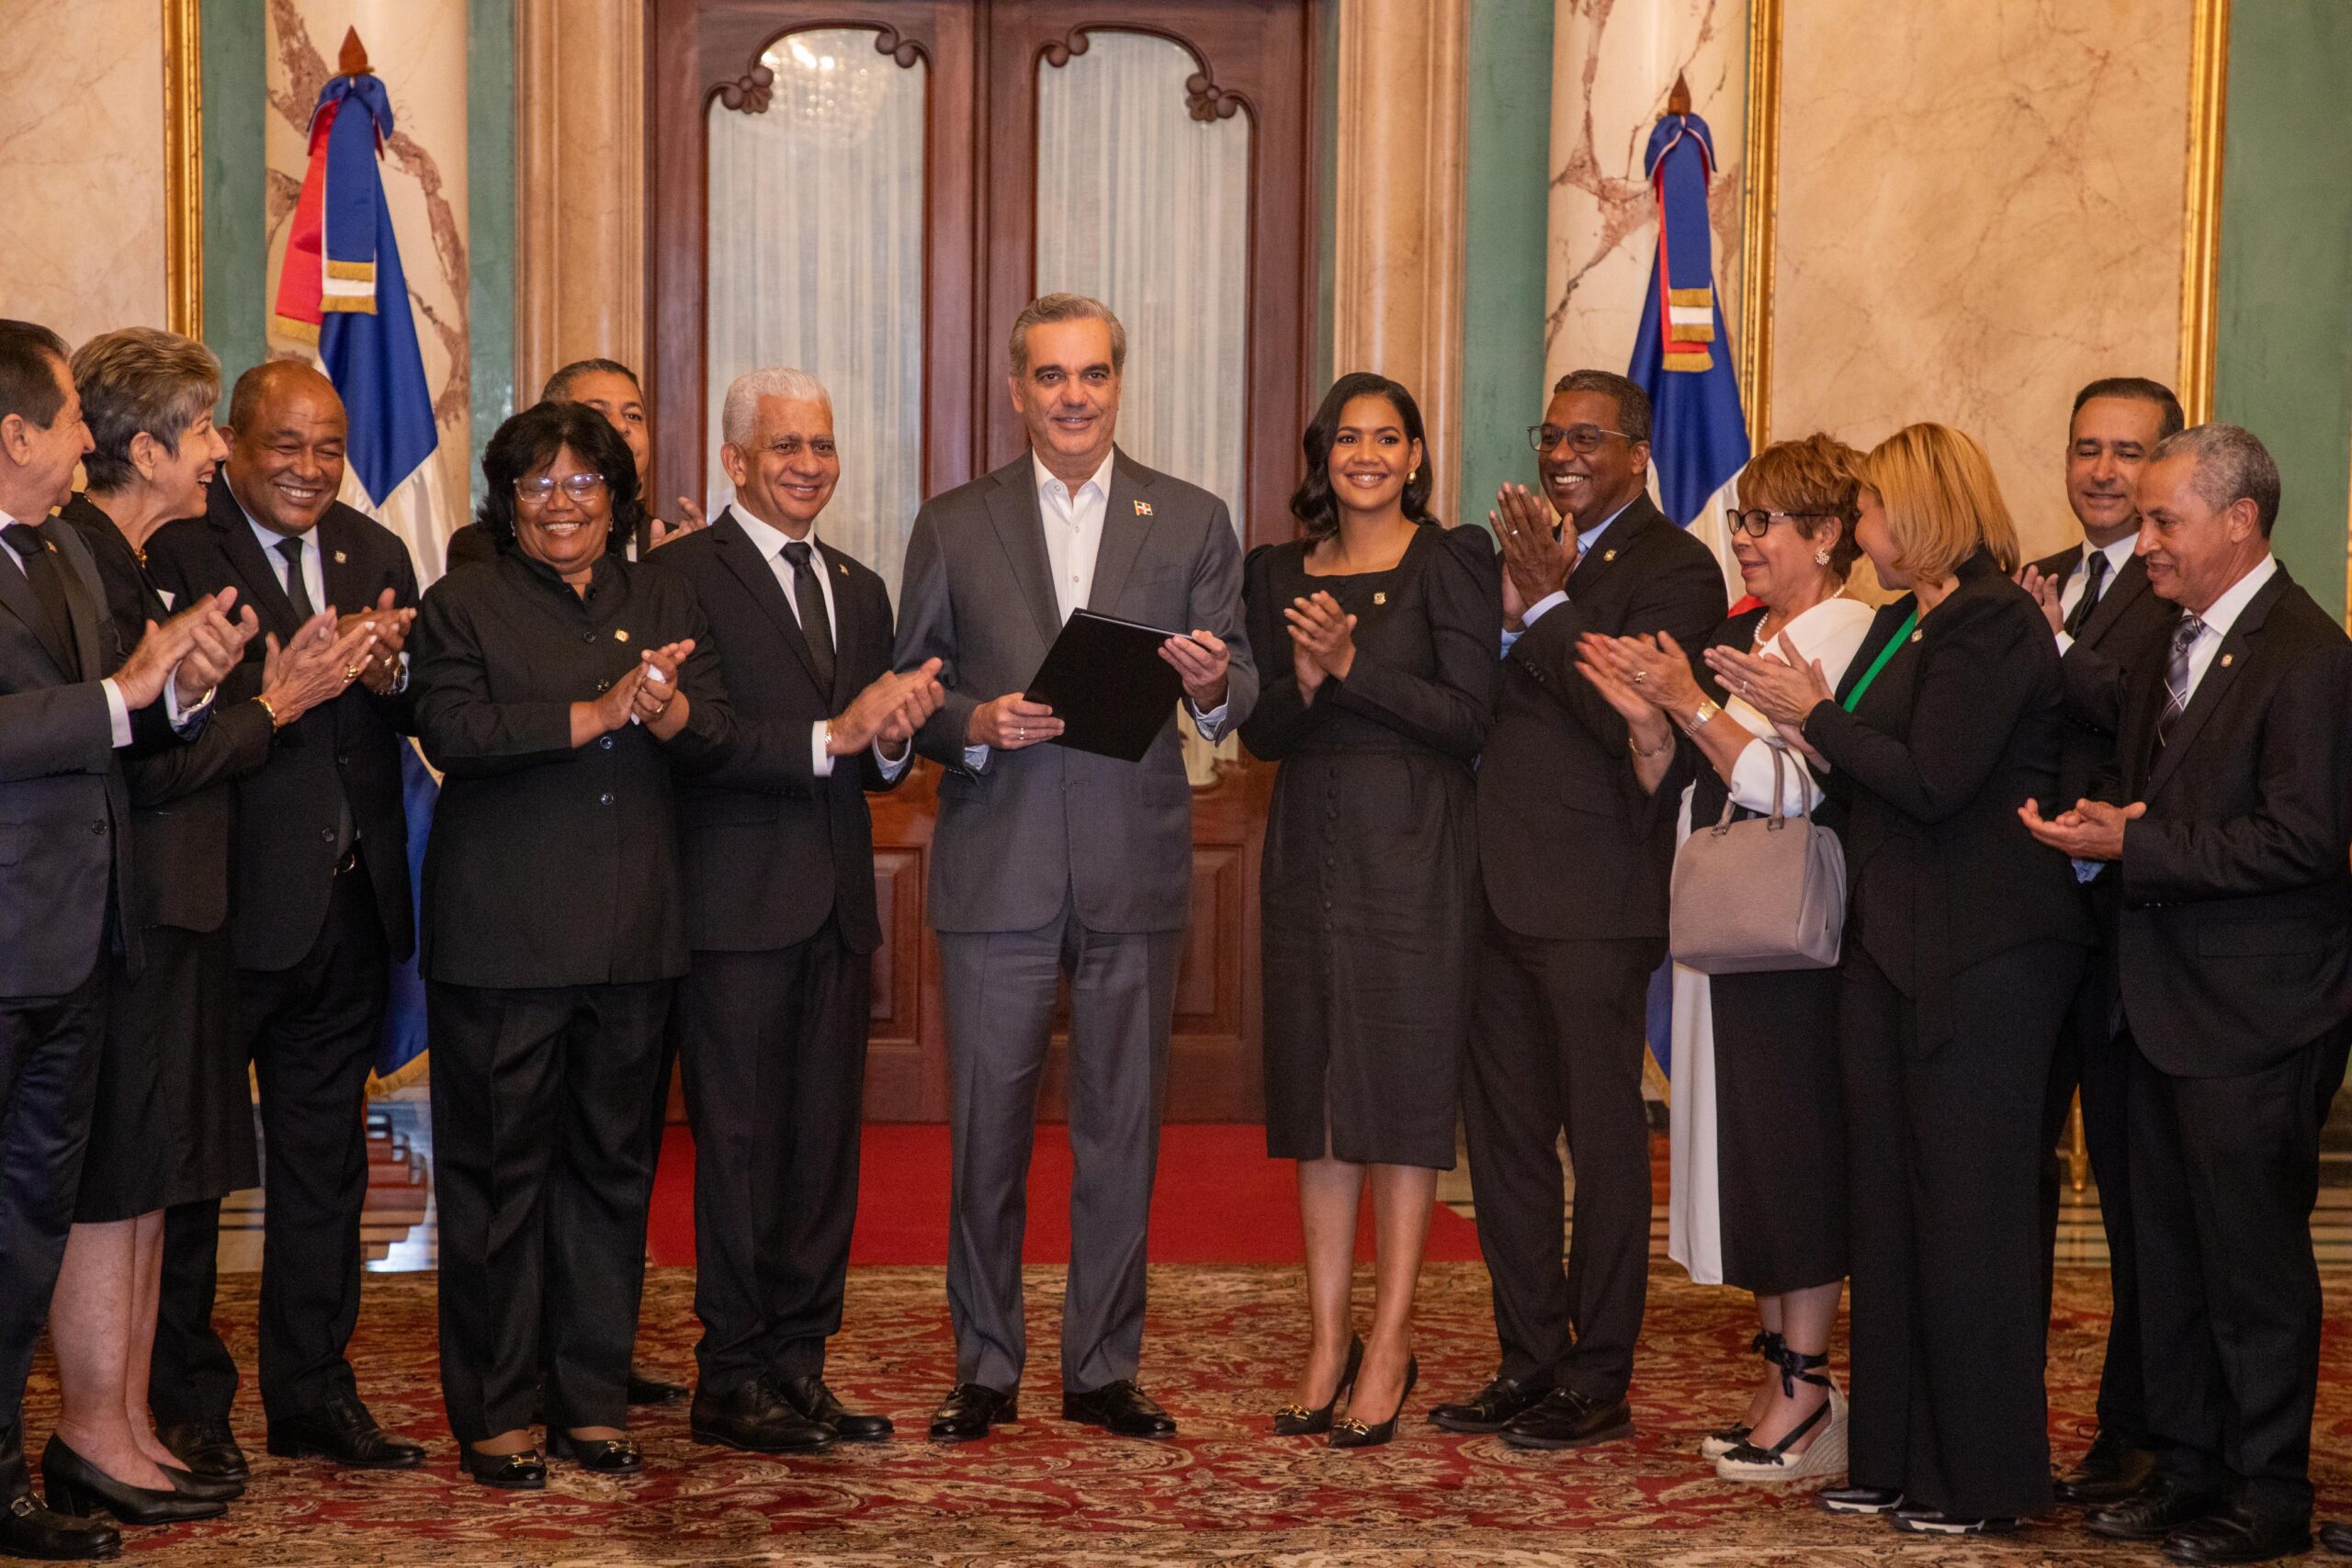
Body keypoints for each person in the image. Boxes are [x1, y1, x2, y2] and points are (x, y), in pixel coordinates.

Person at [1712, 422, 2092, 1535]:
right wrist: (1792, 720)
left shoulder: (1987, 619)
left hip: (1985, 958)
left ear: (1920, 511)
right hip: (1890, 950)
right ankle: (1889, 1458)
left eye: (1871, 510)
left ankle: (1975, 1479)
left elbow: (1931, 781)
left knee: (1965, 1219)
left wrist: (1808, 714)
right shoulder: (1897, 625)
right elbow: (1856, 766)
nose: (1859, 529)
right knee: (1886, 1210)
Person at [896, 292, 1256, 1444]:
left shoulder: (1192, 519)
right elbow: (915, 688)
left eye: (1092, 374)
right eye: (1050, 376)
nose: (1072, 396)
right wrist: (971, 720)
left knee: (1122, 1130)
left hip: (1132, 870)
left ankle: (1103, 1367)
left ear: (1117, 384)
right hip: (995, 866)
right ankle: (985, 1365)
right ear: (1016, 391)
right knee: (986, 1134)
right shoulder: (952, 522)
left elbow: (1235, 684)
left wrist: (1208, 683)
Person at [39, 331, 373, 1533]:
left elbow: (164, 734)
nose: (218, 454)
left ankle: (121, 1425)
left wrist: (214, 679)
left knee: (153, 1185)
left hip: (183, 914)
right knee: (120, 1188)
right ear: (152, 447)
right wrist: (272, 700)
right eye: (205, 434)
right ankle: (98, 1426)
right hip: (118, 918)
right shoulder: (86, 557)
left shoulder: (130, 563)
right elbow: (150, 765)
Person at [2022, 424, 2352, 1566]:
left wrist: (2139, 844)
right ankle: (2188, 1467)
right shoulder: (2173, 632)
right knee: (2162, 1258)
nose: (2140, 537)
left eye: (2164, 520)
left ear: (2239, 521)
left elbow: (2306, 842)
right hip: (2154, 1002)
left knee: (2248, 1270)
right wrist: (2094, 832)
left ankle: (2267, 1497)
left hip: (2256, 1015)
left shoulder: (2306, 654)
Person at [411, 400, 731, 1488]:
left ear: (617, 497)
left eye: (584, 483)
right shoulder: (463, 603)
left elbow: (720, 735)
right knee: (499, 1183)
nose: (562, 503)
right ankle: (497, 1412)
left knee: (611, 1178)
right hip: (503, 942)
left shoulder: (665, 595)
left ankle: (589, 1400)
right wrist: (595, 714)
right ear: (507, 501)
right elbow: (450, 729)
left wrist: (672, 708)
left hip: (635, 939)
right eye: (538, 484)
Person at [1431, 369, 1725, 1450]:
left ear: (1638, 453)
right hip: (1489, 889)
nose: (1563, 453)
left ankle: (1597, 1377)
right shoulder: (1510, 558)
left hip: (1597, 898)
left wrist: (1547, 606)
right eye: (1551, 433)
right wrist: (1523, 610)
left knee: (1602, 1143)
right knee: (1503, 1145)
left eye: (1588, 437)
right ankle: (1529, 1363)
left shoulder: (1678, 569)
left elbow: (1633, 727)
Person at [144, 362, 427, 1481]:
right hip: (221, 916)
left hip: (347, 914)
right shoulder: (176, 550)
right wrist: (284, 682)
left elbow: (411, 709)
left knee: (326, 1174)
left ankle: (313, 1396)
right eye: (286, 447)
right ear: (232, 445)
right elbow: (167, 735)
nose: (310, 470)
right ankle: (186, 1408)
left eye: (328, 447)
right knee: (191, 1177)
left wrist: (396, 666)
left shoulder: (375, 550)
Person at [1577, 434, 1874, 1483]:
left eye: (1763, 523)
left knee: (1791, 1164)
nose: (1742, 540)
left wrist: (1692, 706)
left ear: (1827, 535)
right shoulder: (1744, 632)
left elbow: (1792, 788)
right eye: (1739, 520)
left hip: (1792, 948)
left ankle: (1808, 1385)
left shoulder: (1850, 637)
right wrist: (1649, 725)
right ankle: (1780, 1375)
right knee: (1748, 1161)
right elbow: (1696, 782)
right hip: (1720, 932)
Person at [0, 319, 250, 1563]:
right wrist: (151, 692)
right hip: (37, 930)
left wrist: (183, 682)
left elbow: (132, 719)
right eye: (66, 424)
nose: (81, 445)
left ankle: (64, 1444)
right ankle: (78, 1434)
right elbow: (89, 724)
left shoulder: (55, 555)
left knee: (81, 1199)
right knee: (47, 1204)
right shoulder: (58, 556)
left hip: (91, 929)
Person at [659, 367, 943, 1452]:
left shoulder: (858, 587)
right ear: (734, 461)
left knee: (822, 1155)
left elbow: (871, 764)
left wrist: (891, 733)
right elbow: (698, 736)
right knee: (736, 1152)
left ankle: (797, 1365)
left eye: (821, 447)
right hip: (730, 914)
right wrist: (837, 732)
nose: (808, 466)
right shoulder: (680, 575)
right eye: (785, 448)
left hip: (833, 913)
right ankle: (729, 1376)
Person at [1238, 374, 1498, 1449]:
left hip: (1418, 850)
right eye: (1348, 437)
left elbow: (1469, 716)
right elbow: (1259, 736)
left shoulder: (1453, 558)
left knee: (1398, 1092)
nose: (1367, 455)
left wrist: (1349, 666)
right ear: (1321, 453)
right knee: (1319, 1094)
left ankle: (1391, 1339)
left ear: (1416, 455)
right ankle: (1326, 1337)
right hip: (1309, 852)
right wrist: (1301, 686)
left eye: (1387, 438)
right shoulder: (1274, 572)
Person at [2015, 376, 2185, 1507]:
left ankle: (2139, 1434)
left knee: (2139, 1203)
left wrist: (2049, 642)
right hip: (2032, 934)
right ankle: (1995, 1421)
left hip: (2138, 942)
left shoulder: (2182, 583)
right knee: (2014, 1186)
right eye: (2086, 447)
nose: (2101, 472)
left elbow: (2123, 702)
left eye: (2128, 452)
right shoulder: (2046, 572)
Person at [444, 358, 704, 569]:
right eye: (598, 414)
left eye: (633, 415)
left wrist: (694, 570)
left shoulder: (676, 547)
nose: (622, 427)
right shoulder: (483, 549)